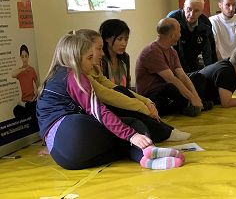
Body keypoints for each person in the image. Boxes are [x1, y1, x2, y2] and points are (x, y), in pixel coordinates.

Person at [36, 33, 185, 170]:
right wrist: (131, 134)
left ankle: (146, 159)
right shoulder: (75, 75)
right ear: (75, 58)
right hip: (73, 131)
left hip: (64, 159)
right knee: (132, 125)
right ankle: (148, 150)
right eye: (89, 58)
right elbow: (98, 110)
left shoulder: (53, 77)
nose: (92, 63)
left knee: (122, 145)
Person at [76, 29, 190, 143]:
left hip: (119, 99)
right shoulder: (82, 73)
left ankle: (165, 129)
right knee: (122, 105)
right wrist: (141, 106)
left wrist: (146, 101)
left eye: (125, 39)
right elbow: (106, 95)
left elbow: (113, 87)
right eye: (99, 49)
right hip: (91, 116)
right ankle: (162, 132)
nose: (102, 53)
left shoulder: (101, 65)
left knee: (121, 90)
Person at [135, 18, 209, 117]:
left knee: (199, 77)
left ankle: (191, 105)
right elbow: (171, 79)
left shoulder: (172, 51)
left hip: (168, 92)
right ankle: (187, 106)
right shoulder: (152, 51)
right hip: (152, 96)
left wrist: (195, 96)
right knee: (170, 87)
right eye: (179, 32)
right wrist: (192, 97)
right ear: (172, 35)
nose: (180, 35)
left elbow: (182, 75)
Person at [167, 0, 216, 72]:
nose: (192, 14)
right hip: (173, 63)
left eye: (196, 11)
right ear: (184, 7)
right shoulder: (173, 19)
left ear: (201, 11)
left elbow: (210, 50)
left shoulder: (205, 23)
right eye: (189, 9)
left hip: (194, 60)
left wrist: (211, 71)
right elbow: (168, 47)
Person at [99, 19, 132, 88]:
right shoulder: (100, 59)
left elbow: (128, 85)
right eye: (119, 39)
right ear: (107, 38)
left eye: (126, 39)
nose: (124, 44)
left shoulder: (125, 57)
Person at [11, 44, 38, 119]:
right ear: (20, 57)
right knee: (16, 110)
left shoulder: (32, 70)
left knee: (33, 108)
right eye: (23, 57)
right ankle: (24, 105)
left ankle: (26, 106)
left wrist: (35, 97)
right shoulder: (19, 72)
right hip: (24, 102)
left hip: (32, 101)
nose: (24, 59)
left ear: (28, 56)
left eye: (26, 56)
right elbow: (12, 75)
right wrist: (23, 69)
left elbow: (38, 87)